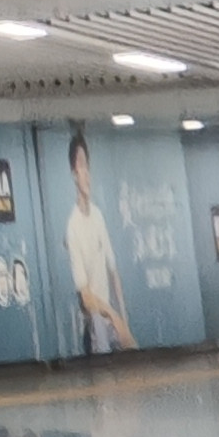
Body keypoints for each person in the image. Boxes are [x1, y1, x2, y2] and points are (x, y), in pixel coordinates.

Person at [64, 125, 134, 352]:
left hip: (112, 322)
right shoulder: (73, 227)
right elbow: (86, 296)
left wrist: (124, 321)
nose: (86, 174)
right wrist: (113, 316)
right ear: (74, 174)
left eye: (87, 166)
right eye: (81, 166)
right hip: (95, 322)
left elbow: (113, 270)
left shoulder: (98, 216)